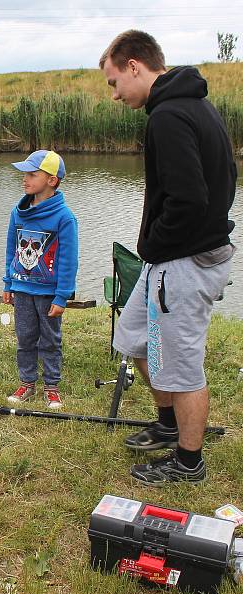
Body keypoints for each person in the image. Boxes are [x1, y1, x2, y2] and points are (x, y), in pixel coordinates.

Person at [100, 30, 236, 486]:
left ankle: (188, 462)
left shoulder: (170, 115)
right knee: (134, 337)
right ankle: (168, 422)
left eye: (115, 83)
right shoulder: (189, 106)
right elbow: (226, 179)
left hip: (184, 261)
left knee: (180, 364)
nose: (115, 95)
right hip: (173, 258)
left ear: (135, 65)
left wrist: (157, 243)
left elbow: (190, 200)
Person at [2, 150, 78, 410]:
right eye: (25, 174)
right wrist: (7, 283)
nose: (25, 179)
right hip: (22, 288)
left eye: (33, 174)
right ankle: (26, 383)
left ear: (52, 180)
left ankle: (52, 387)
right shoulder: (17, 212)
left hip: (48, 293)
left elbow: (69, 260)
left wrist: (62, 296)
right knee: (25, 338)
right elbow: (11, 250)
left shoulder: (64, 217)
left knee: (50, 340)